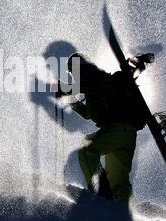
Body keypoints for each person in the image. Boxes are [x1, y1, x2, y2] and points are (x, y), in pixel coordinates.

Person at [57, 53, 147, 203]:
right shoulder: (98, 84)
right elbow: (88, 114)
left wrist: (64, 89)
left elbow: (84, 84)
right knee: (118, 181)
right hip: (128, 135)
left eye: (72, 71)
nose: (73, 75)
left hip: (116, 130)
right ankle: (127, 212)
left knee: (87, 150)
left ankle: (100, 197)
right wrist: (71, 101)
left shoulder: (92, 75)